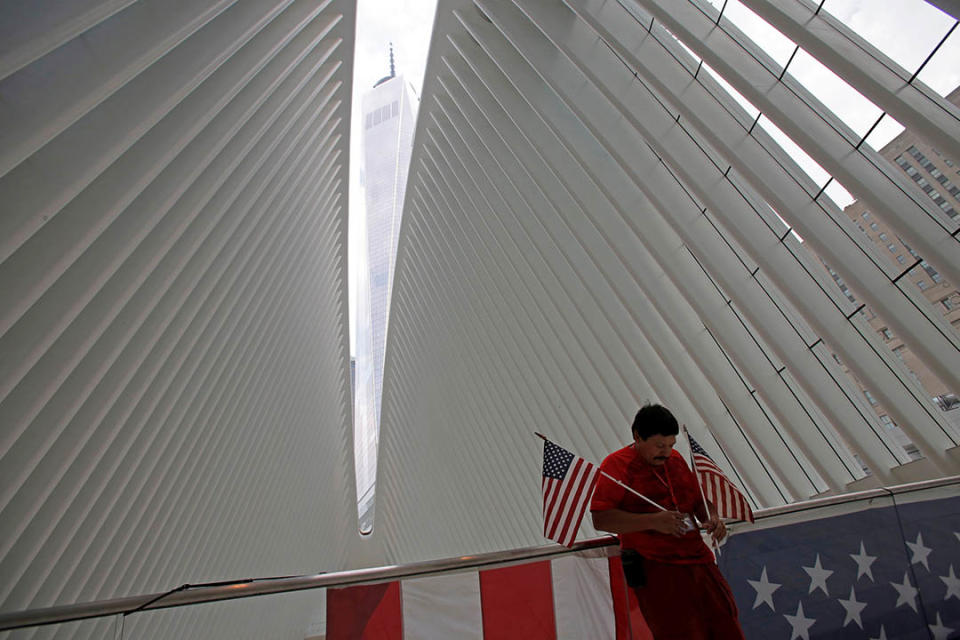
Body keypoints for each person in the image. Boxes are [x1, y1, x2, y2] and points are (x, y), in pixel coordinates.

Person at [590, 404, 745, 640]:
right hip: (656, 566)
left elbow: (698, 501)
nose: (666, 452)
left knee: (725, 624)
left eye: (671, 445)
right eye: (659, 446)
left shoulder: (676, 461)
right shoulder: (617, 465)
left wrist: (711, 518)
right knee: (681, 632)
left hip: (699, 561)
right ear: (637, 437)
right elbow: (601, 518)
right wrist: (652, 521)